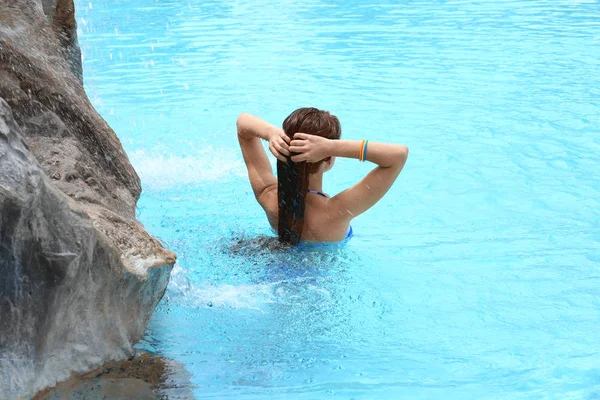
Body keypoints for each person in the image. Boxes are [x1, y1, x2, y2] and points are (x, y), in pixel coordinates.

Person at [236, 107, 408, 245]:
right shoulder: (337, 211)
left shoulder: (269, 197)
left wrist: (272, 133)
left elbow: (243, 123)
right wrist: (331, 147)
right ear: (329, 159)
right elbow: (398, 155)